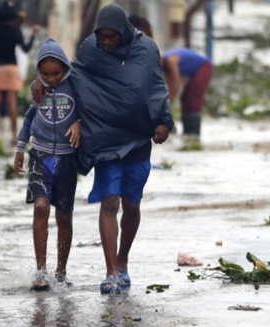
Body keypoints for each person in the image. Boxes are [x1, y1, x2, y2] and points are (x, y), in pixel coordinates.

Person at [36, 4, 173, 294]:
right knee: (109, 202)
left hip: (138, 139)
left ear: (124, 32)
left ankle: (122, 261)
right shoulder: (90, 49)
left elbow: (156, 86)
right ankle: (110, 272)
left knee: (131, 204)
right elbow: (72, 78)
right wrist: (41, 84)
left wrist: (165, 121)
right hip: (105, 138)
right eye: (103, 36)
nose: (107, 42)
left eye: (112, 37)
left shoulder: (147, 50)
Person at [14, 39, 82, 291]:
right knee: (41, 206)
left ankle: (61, 271)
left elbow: (91, 108)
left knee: (64, 216)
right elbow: (29, 117)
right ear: (39, 72)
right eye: (45, 74)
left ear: (65, 68)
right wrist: (20, 148)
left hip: (67, 159)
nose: (51, 79)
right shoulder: (36, 89)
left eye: (56, 73)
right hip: (40, 157)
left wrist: (80, 123)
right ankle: (41, 272)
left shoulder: (75, 85)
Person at [0, 1, 40, 144]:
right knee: (12, 103)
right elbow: (25, 49)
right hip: (11, 68)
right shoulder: (15, 29)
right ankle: (15, 136)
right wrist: (33, 35)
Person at [162, 48, 213, 136]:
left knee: (193, 99)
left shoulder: (170, 61)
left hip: (204, 67)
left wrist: (166, 106)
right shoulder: (165, 66)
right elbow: (170, 86)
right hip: (193, 72)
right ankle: (187, 133)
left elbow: (175, 85)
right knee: (185, 99)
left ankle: (194, 133)